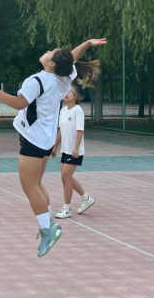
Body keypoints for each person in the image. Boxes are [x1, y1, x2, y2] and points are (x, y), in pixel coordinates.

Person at [0, 38, 106, 258]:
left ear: (52, 63)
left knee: (29, 186)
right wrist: (87, 43)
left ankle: (47, 230)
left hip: (33, 138)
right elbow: (73, 57)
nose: (48, 50)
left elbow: (19, 104)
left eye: (51, 51)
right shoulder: (64, 77)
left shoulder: (37, 80)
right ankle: (47, 223)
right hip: (45, 138)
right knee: (37, 184)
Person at [51, 85, 95, 219]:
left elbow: (80, 131)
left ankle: (67, 208)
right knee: (66, 177)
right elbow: (60, 130)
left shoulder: (78, 111)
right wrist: (55, 146)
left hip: (74, 150)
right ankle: (86, 198)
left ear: (75, 96)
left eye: (69, 92)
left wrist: (76, 148)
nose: (66, 94)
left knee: (65, 177)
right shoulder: (63, 110)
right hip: (65, 149)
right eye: (65, 91)